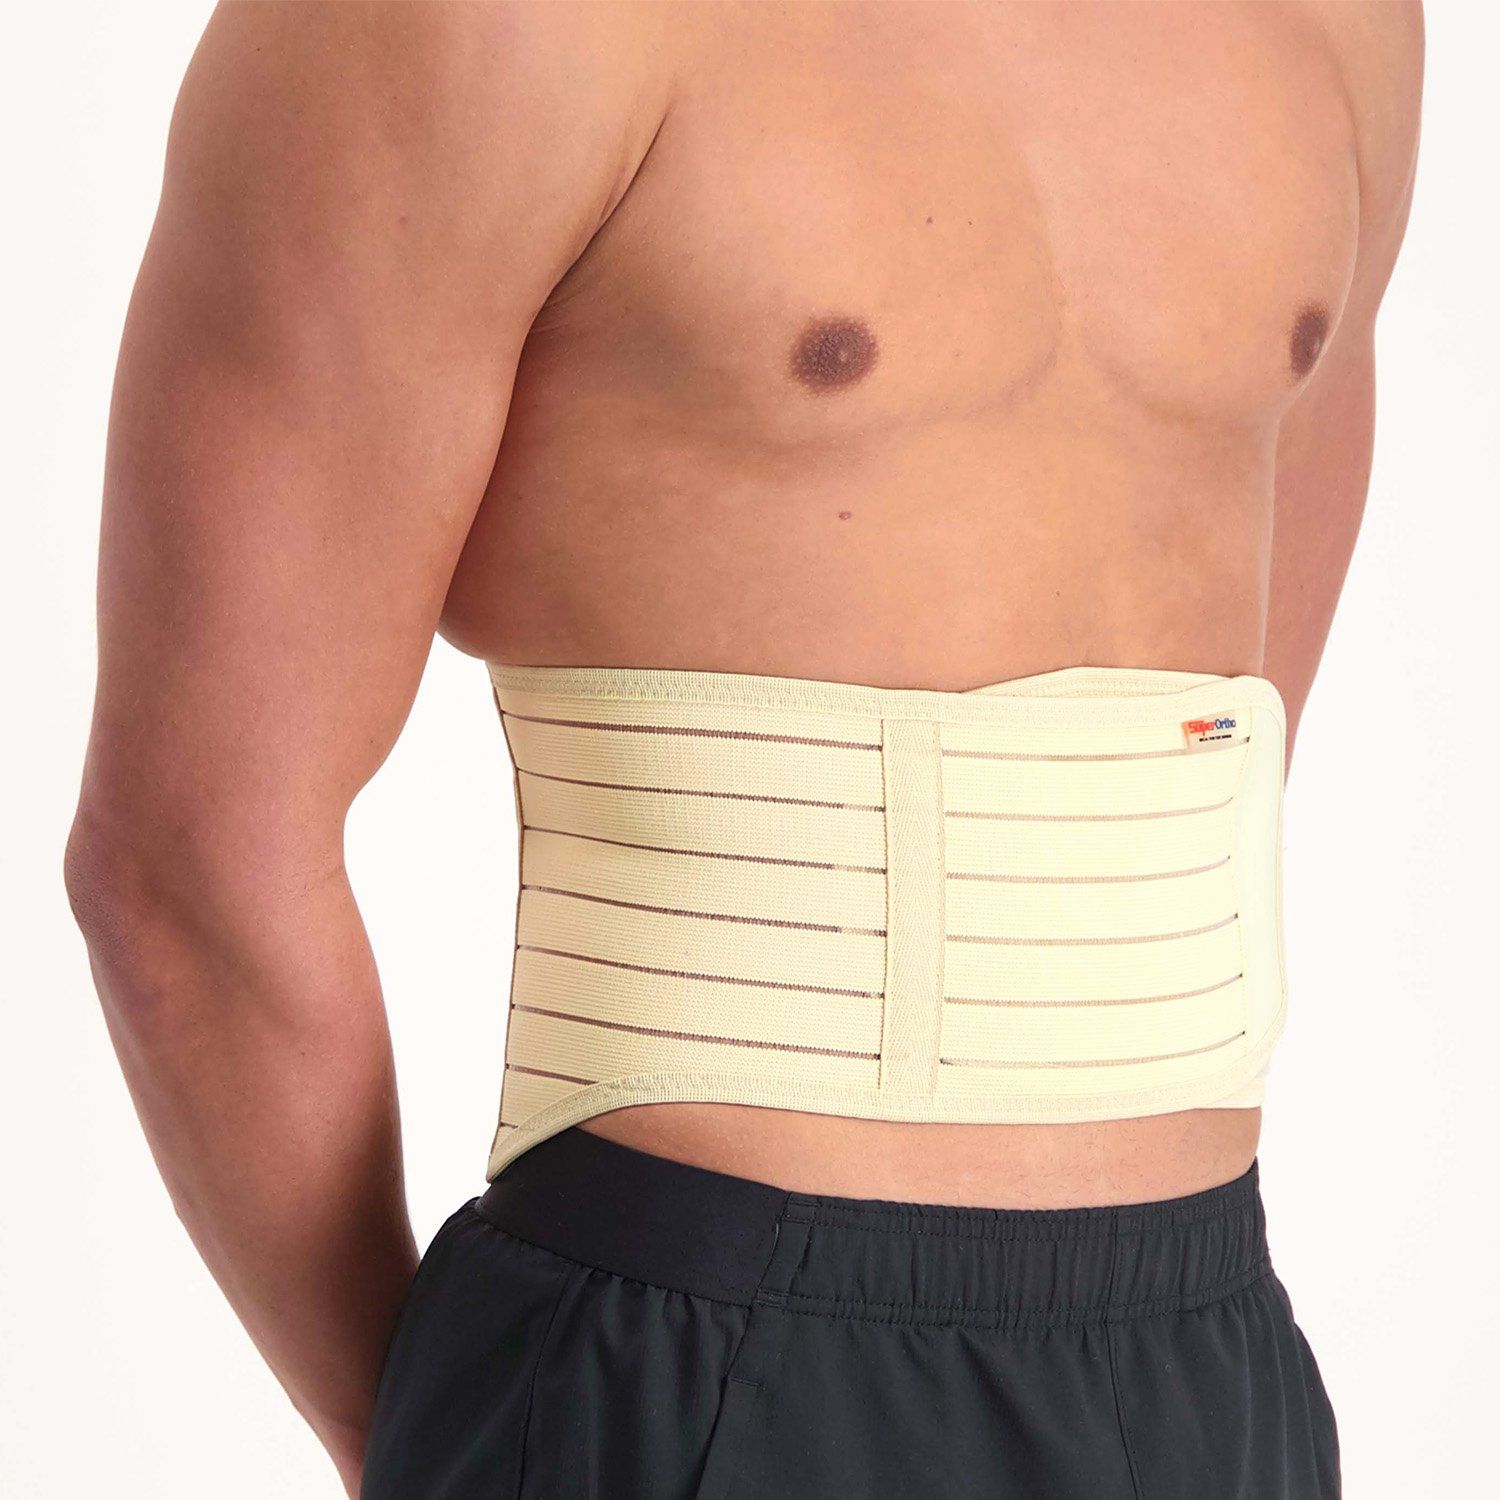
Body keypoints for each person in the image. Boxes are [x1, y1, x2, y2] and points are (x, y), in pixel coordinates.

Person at [65, 2, 1423, 1495]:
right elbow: (189, 866)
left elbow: (1228, 749)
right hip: (686, 1351)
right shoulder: (477, 28)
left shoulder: (1346, 22)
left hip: (1209, 1350)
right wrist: (440, 1436)